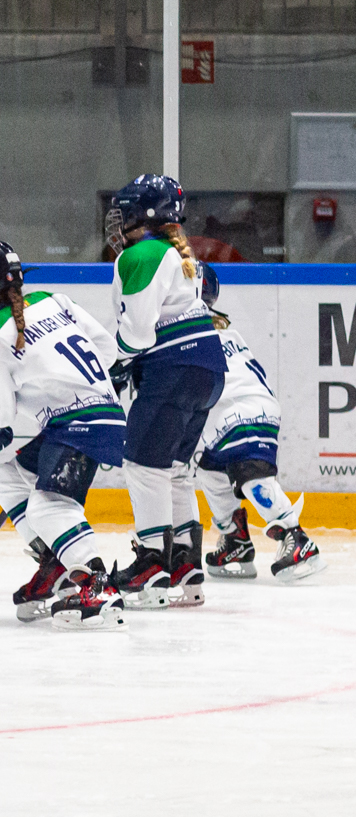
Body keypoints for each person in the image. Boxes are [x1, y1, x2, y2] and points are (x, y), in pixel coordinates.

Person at [0, 241, 127, 630]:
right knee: (10, 479)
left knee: (48, 508)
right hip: (100, 415)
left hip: (79, 424)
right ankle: (58, 564)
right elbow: (108, 351)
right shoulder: (54, 300)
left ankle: (97, 584)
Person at [103, 174, 225, 610]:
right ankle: (186, 566)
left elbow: (136, 335)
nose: (116, 220)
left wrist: (113, 362)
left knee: (142, 463)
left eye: (124, 210)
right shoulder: (180, 253)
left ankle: (152, 565)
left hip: (174, 369)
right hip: (208, 369)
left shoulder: (141, 255)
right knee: (174, 468)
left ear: (145, 213)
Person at [190, 263, 325, 581]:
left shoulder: (187, 329)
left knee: (251, 476)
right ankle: (235, 539)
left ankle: (295, 536)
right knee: (211, 472)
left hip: (243, 411)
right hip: (236, 413)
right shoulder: (221, 326)